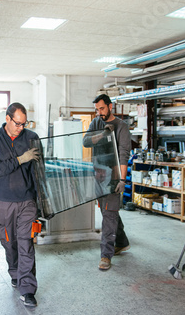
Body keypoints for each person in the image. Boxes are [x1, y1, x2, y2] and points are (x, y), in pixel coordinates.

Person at [0, 102, 40, 307]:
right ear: (7, 119)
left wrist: (41, 200)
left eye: (24, 124)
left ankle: (27, 288)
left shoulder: (31, 137)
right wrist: (20, 159)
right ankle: (15, 273)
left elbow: (38, 172)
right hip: (4, 201)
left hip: (27, 200)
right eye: (18, 123)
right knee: (10, 243)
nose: (21, 128)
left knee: (26, 242)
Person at [83, 94, 131, 271]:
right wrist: (102, 135)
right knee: (107, 212)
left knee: (110, 213)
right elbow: (86, 141)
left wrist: (122, 179)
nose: (99, 112)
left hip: (114, 176)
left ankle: (106, 255)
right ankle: (122, 241)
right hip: (99, 174)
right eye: (97, 109)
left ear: (110, 106)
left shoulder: (121, 127)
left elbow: (124, 154)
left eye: (102, 108)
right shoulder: (96, 123)